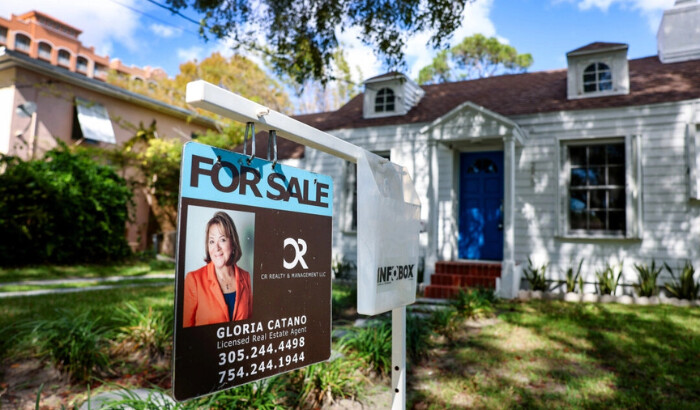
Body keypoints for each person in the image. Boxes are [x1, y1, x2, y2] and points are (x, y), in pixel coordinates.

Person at [183, 211, 252, 327]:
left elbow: (250, 325)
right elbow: (185, 333)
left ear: (233, 243)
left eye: (222, 240)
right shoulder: (194, 280)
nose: (216, 248)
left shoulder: (246, 277)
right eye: (212, 241)